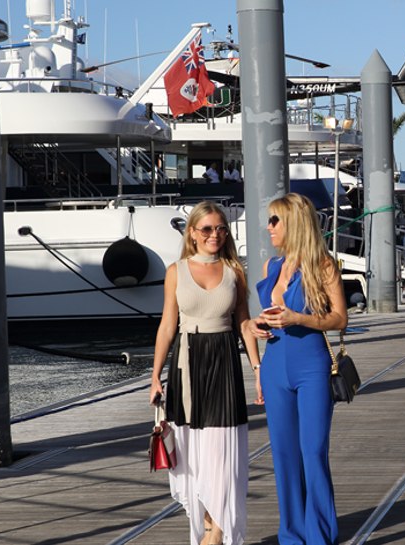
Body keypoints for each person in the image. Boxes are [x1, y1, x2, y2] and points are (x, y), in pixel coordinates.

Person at [149, 201, 260, 545]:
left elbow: (243, 322)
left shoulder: (234, 270)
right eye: (208, 229)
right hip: (187, 363)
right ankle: (208, 524)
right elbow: (168, 325)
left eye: (221, 229)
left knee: (223, 452)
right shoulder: (175, 271)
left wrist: (258, 369)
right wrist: (154, 375)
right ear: (193, 233)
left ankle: (217, 532)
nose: (215, 235)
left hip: (224, 361)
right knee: (194, 452)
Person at [245, 193, 347, 545]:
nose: (269, 227)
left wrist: (299, 317)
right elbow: (267, 317)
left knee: (313, 451)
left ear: (294, 223)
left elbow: (339, 318)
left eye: (275, 220)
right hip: (275, 364)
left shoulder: (323, 265)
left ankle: (318, 535)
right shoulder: (271, 267)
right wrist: (259, 324)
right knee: (284, 454)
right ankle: (292, 535)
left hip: (311, 366)